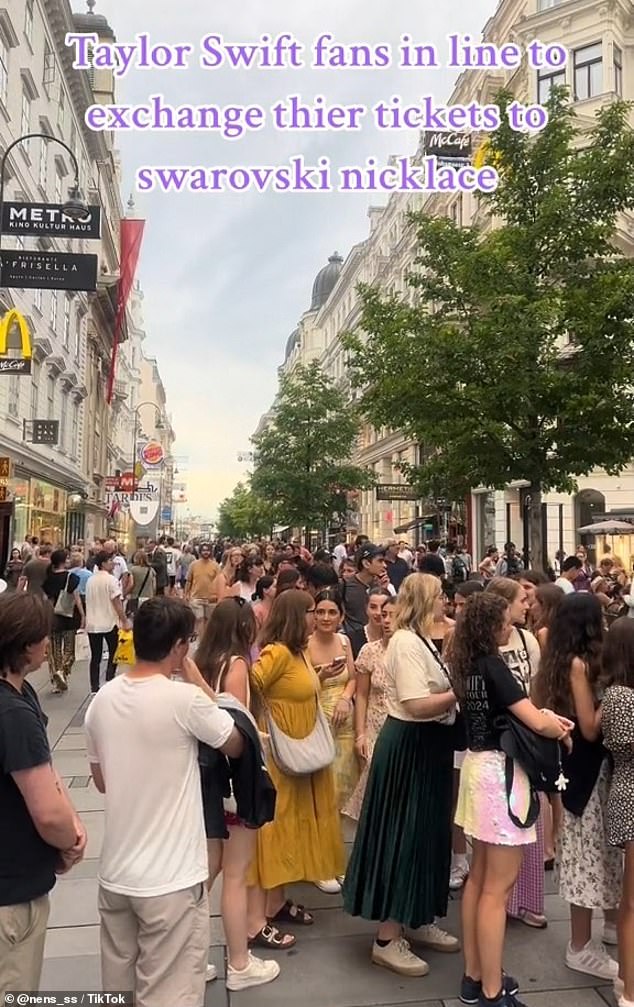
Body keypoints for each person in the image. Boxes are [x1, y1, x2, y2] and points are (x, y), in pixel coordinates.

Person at [85, 597, 244, 1007]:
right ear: (178, 646)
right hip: (171, 878)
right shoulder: (183, 701)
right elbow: (236, 741)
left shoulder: (101, 701)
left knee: (118, 988)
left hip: (117, 872)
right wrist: (196, 682)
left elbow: (101, 781)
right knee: (169, 991)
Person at [452, 592, 573, 1007]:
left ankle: (475, 975)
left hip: (476, 769)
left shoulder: (466, 665)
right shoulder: (494, 666)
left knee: (480, 879)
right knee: (496, 891)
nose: (511, 625)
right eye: (505, 620)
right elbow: (534, 718)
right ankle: (491, 989)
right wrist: (558, 726)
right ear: (491, 627)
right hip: (499, 777)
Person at [343, 574, 460, 977]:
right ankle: (388, 938)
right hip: (410, 744)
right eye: (441, 595)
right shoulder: (408, 643)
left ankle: (418, 913)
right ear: (427, 600)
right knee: (404, 836)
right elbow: (417, 703)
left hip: (425, 747)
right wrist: (459, 691)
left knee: (426, 834)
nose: (446, 601)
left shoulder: (419, 638)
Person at [247, 590, 345, 949]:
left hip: (302, 754)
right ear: (295, 616)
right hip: (283, 757)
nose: (316, 617)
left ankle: (276, 901)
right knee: (279, 826)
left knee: (294, 825)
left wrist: (318, 674)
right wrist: (264, 723)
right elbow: (248, 685)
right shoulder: (276, 652)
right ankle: (261, 914)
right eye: (310, 611)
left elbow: (295, 686)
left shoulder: (297, 652)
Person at [0, 593, 86, 1000]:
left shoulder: (22, 696)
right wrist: (68, 840)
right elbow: (48, 812)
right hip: (11, 896)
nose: (48, 643)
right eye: (43, 637)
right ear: (24, 644)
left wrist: (72, 825)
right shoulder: (13, 713)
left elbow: (47, 769)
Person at [538, 592, 621, 981]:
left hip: (579, 770)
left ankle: (605, 928)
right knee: (588, 854)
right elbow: (589, 726)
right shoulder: (578, 665)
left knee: (597, 851)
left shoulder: (558, 660)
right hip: (586, 773)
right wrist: (614, 693)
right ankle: (581, 945)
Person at [307, 587, 359, 894]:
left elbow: (353, 677)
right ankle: (320, 863)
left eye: (332, 612)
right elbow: (301, 685)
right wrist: (323, 676)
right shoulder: (305, 643)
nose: (326, 618)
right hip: (318, 723)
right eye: (321, 612)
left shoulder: (344, 641)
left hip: (345, 723)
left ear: (340, 616)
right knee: (320, 794)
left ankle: (336, 859)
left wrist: (347, 698)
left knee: (340, 795)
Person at [601, 619, 634, 1007]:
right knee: (632, 899)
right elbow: (623, 747)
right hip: (630, 792)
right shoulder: (621, 696)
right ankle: (628, 988)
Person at [343, 594, 397, 821]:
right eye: (384, 615)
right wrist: (360, 734)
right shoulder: (369, 650)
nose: (386, 621)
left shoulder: (412, 651)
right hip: (374, 730)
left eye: (393, 616)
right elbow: (362, 694)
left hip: (400, 730)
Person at [42, 549, 85, 695]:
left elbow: (48, 600)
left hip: (54, 617)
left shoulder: (49, 578)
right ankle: (63, 672)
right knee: (69, 649)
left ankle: (57, 676)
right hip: (69, 617)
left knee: (54, 650)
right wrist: (83, 615)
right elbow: (76, 597)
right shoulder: (71, 577)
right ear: (63, 560)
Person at [85, 551, 127, 695]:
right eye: (110, 561)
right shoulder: (111, 580)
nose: (113, 563)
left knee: (95, 656)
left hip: (93, 623)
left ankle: (94, 687)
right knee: (114, 653)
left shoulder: (91, 580)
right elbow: (117, 602)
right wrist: (125, 620)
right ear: (103, 563)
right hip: (109, 622)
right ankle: (110, 678)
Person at [185, 542, 222, 636]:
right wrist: (186, 594)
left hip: (211, 599)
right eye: (204, 550)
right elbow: (189, 581)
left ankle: (206, 641)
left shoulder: (215, 565)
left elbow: (219, 582)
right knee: (200, 620)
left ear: (211, 552)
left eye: (208, 550)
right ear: (200, 551)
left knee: (209, 622)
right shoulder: (193, 565)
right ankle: (201, 643)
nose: (206, 552)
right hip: (196, 598)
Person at [126, 550, 157, 616]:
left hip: (136, 597)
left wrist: (125, 593)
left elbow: (131, 584)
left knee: (136, 617)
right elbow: (154, 586)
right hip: (149, 597)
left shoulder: (133, 569)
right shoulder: (151, 570)